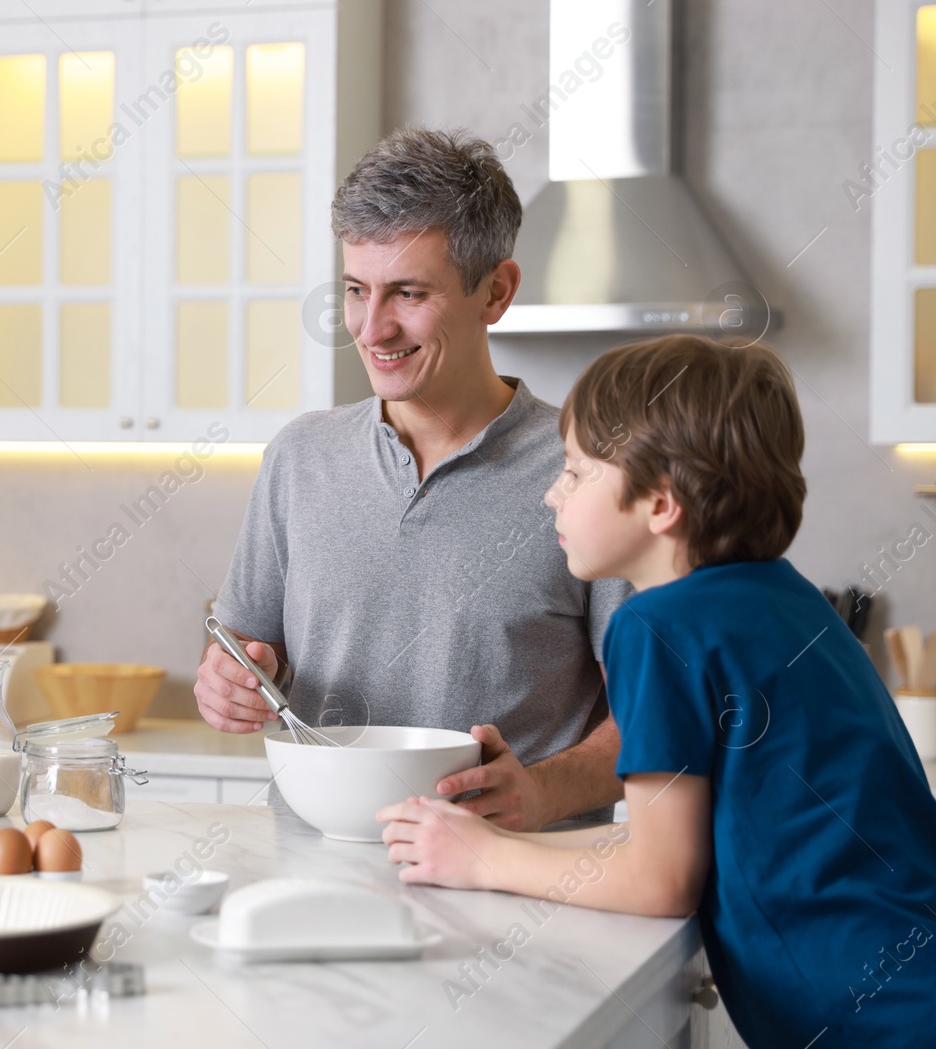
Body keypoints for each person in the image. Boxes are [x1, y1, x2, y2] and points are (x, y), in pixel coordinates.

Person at [379, 334, 936, 1047]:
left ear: (661, 502)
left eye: (577, 472)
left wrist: (481, 859)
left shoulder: (656, 625)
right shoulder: (785, 600)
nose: (553, 491)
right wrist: (493, 839)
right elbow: (671, 839)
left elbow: (660, 877)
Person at [196, 127, 631, 829]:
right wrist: (229, 685)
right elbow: (238, 654)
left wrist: (542, 792)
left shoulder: (591, 471)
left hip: (514, 893)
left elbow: (651, 718)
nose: (372, 329)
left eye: (406, 293)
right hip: (316, 878)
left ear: (496, 290)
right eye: (355, 290)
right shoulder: (299, 458)